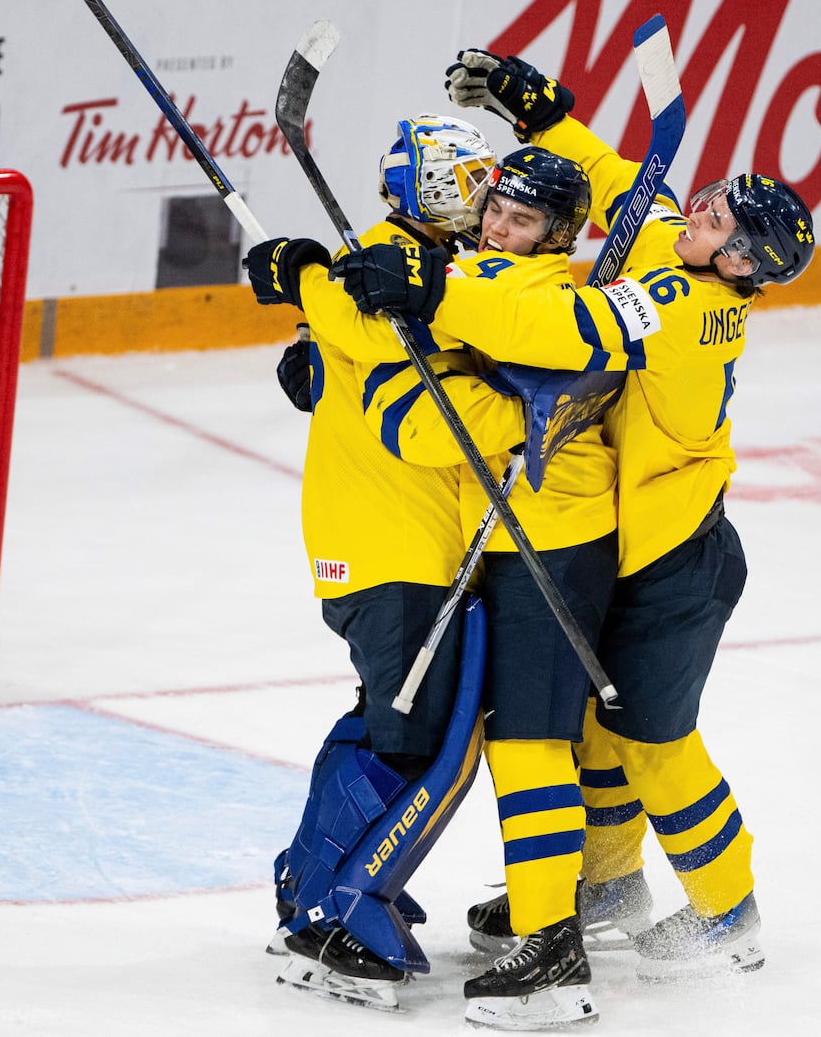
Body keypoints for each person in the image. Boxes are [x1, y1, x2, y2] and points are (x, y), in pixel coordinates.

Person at [341, 48, 817, 984]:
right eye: (709, 196)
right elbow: (622, 184)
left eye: (717, 214)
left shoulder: (688, 304)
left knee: (649, 737)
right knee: (596, 728)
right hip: (634, 541)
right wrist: (544, 118)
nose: (697, 207)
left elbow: (567, 333)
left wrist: (438, 289)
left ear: (738, 259)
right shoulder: (680, 254)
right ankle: (603, 888)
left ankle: (730, 905)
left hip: (677, 561)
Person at [327, 146, 619, 1030]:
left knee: (531, 747)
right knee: (516, 744)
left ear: (557, 236)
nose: (497, 224)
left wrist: (391, 291)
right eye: (495, 207)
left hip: (552, 542)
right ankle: (548, 919)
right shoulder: (493, 273)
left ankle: (553, 947)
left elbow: (468, 322)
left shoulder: (534, 298)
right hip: (514, 540)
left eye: (523, 219)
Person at [242, 113, 501, 1012]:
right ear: (423, 186)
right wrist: (312, 276)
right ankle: (337, 910)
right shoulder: (377, 278)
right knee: (415, 732)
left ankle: (314, 878)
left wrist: (309, 292)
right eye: (465, 182)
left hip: (394, 539)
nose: (484, 199)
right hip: (394, 544)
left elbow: (323, 369)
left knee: (393, 719)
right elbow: (375, 336)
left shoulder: (421, 274)